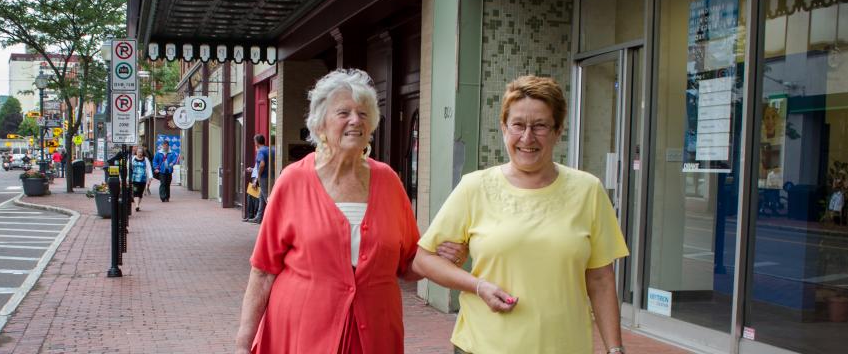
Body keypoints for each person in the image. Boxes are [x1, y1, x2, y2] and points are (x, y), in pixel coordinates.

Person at [234, 69, 464, 354]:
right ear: (321, 124)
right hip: (303, 332)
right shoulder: (293, 180)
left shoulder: (389, 181)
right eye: (344, 113)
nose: (355, 120)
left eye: (363, 114)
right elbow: (263, 272)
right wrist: (244, 343)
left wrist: (435, 256)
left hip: (375, 331)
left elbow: (407, 264)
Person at [412, 75, 630, 354]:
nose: (527, 137)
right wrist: (477, 285)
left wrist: (615, 349)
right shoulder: (475, 187)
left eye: (540, 126)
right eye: (518, 125)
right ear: (504, 127)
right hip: (485, 345)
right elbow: (423, 259)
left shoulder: (588, 190)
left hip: (565, 346)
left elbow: (600, 279)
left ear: (558, 130)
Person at [244, 134, 272, 223]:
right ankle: (258, 217)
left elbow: (262, 164)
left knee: (266, 198)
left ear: (256, 142)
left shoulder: (260, 151)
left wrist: (258, 176)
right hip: (270, 176)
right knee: (261, 197)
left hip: (263, 177)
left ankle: (274, 218)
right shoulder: (269, 149)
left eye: (254, 141)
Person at [130, 146, 153, 211]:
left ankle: (138, 205)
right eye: (138, 152)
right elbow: (128, 167)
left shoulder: (145, 159)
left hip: (143, 179)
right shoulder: (132, 158)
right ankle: (137, 205)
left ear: (143, 153)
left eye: (141, 152)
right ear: (136, 152)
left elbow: (149, 168)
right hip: (134, 179)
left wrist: (150, 177)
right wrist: (128, 177)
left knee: (140, 193)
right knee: (135, 192)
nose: (140, 153)